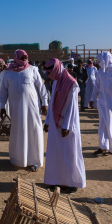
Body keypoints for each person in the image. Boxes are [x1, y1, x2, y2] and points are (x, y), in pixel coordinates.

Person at [0, 50, 48, 171]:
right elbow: (4, 90)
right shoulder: (8, 72)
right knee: (19, 130)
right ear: (16, 58)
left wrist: (45, 103)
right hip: (16, 108)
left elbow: (41, 88)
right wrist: (2, 106)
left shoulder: (33, 69)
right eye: (22, 57)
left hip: (32, 107)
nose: (25, 59)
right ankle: (19, 159)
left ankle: (35, 160)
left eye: (26, 57)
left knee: (34, 130)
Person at [43, 58, 86, 194]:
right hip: (56, 125)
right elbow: (53, 104)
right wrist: (48, 121)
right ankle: (57, 180)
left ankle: (72, 182)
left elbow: (73, 108)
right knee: (56, 153)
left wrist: (66, 126)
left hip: (68, 126)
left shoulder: (71, 83)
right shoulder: (56, 81)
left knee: (69, 153)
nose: (48, 74)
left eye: (49, 71)